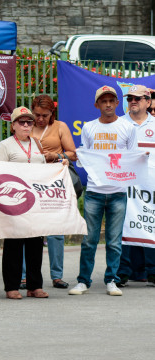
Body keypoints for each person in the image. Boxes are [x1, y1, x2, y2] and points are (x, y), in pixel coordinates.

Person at [68, 85, 137, 296]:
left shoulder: (128, 128)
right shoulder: (89, 128)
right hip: (95, 192)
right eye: (103, 101)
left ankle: (111, 280)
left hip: (118, 192)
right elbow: (87, 157)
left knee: (114, 241)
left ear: (117, 103)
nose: (108, 104)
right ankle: (83, 281)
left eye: (111, 101)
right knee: (89, 240)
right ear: (97, 105)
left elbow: (132, 159)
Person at [0, 106, 49, 300]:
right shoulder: (5, 146)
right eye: (21, 122)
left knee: (35, 243)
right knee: (14, 244)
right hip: (14, 200)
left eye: (29, 122)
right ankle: (11, 286)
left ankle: (35, 285)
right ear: (13, 126)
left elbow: (44, 171)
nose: (26, 125)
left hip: (34, 201)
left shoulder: (37, 144)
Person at [29, 95, 77, 289]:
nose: (40, 119)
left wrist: (56, 155)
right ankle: (25, 276)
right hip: (31, 180)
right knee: (29, 230)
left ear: (52, 114)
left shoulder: (60, 127)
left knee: (56, 230)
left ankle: (57, 276)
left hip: (54, 183)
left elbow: (73, 153)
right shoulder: (26, 125)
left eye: (45, 115)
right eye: (37, 115)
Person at [117, 85, 155, 286]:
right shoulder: (119, 124)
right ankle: (122, 271)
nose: (133, 101)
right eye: (130, 97)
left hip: (151, 187)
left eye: (138, 98)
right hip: (125, 185)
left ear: (148, 102)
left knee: (149, 224)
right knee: (124, 226)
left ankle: (153, 271)